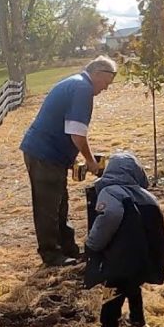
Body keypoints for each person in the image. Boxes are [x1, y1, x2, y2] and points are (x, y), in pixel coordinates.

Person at [19, 56, 117, 267]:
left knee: (61, 203)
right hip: (44, 153)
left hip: (50, 154)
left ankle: (68, 249)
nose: (105, 89)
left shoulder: (75, 83)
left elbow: (67, 129)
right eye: (106, 83)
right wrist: (90, 162)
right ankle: (52, 255)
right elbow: (77, 133)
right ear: (98, 73)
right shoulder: (82, 89)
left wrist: (70, 159)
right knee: (48, 206)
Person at [83, 152, 164, 327]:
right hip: (141, 262)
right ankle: (137, 319)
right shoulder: (147, 197)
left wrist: (92, 244)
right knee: (133, 285)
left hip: (117, 265)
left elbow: (109, 216)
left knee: (108, 314)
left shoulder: (111, 192)